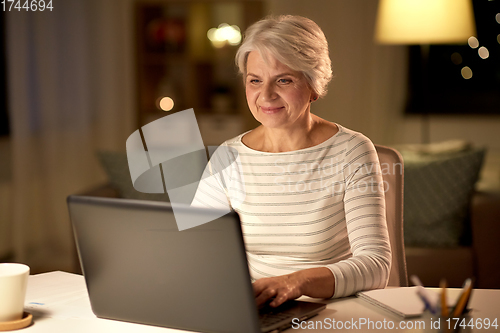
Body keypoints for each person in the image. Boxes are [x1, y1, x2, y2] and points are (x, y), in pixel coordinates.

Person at [191, 15, 391, 308]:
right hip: (252, 310)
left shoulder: (352, 151)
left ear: (314, 85)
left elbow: (376, 266)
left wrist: (296, 282)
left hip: (328, 311)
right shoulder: (228, 156)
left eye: (284, 80)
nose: (266, 95)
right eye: (255, 80)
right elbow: (194, 250)